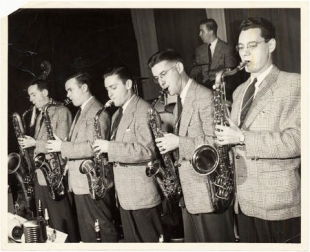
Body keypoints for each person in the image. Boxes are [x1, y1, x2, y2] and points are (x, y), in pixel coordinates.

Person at [215, 17, 301, 243]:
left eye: (252, 46)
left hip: (277, 203)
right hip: (243, 202)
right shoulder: (239, 91)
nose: (245, 54)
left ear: (270, 45)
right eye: (241, 48)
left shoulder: (295, 84)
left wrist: (242, 137)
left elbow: (297, 141)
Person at [148, 49, 235, 242]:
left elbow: (218, 142)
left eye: (163, 74)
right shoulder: (181, 101)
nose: (161, 82)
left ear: (178, 67)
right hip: (191, 196)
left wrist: (178, 142)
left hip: (209, 194)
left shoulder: (204, 97)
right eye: (156, 78)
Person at [92, 67, 163, 242]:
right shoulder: (117, 114)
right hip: (124, 196)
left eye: (114, 88)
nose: (109, 94)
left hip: (142, 196)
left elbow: (147, 151)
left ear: (129, 84)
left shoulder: (144, 110)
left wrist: (110, 148)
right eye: (107, 89)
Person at [46, 72, 118, 242]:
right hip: (81, 184)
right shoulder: (81, 111)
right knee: (89, 233)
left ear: (84, 88)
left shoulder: (97, 111)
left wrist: (62, 147)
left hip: (92, 185)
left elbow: (93, 147)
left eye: (70, 90)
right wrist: (64, 142)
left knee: (101, 231)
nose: (67, 95)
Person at [18, 79, 80, 242]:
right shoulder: (39, 113)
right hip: (40, 175)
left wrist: (35, 143)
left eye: (33, 94)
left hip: (54, 176)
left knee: (61, 222)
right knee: (46, 221)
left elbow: (61, 145)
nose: (31, 99)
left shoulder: (61, 111)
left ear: (45, 92)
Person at [190, 18, 238, 95]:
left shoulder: (227, 48)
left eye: (202, 31)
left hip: (222, 87)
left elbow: (231, 72)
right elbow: (196, 70)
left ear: (211, 32)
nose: (199, 34)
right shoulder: (199, 50)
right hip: (204, 88)